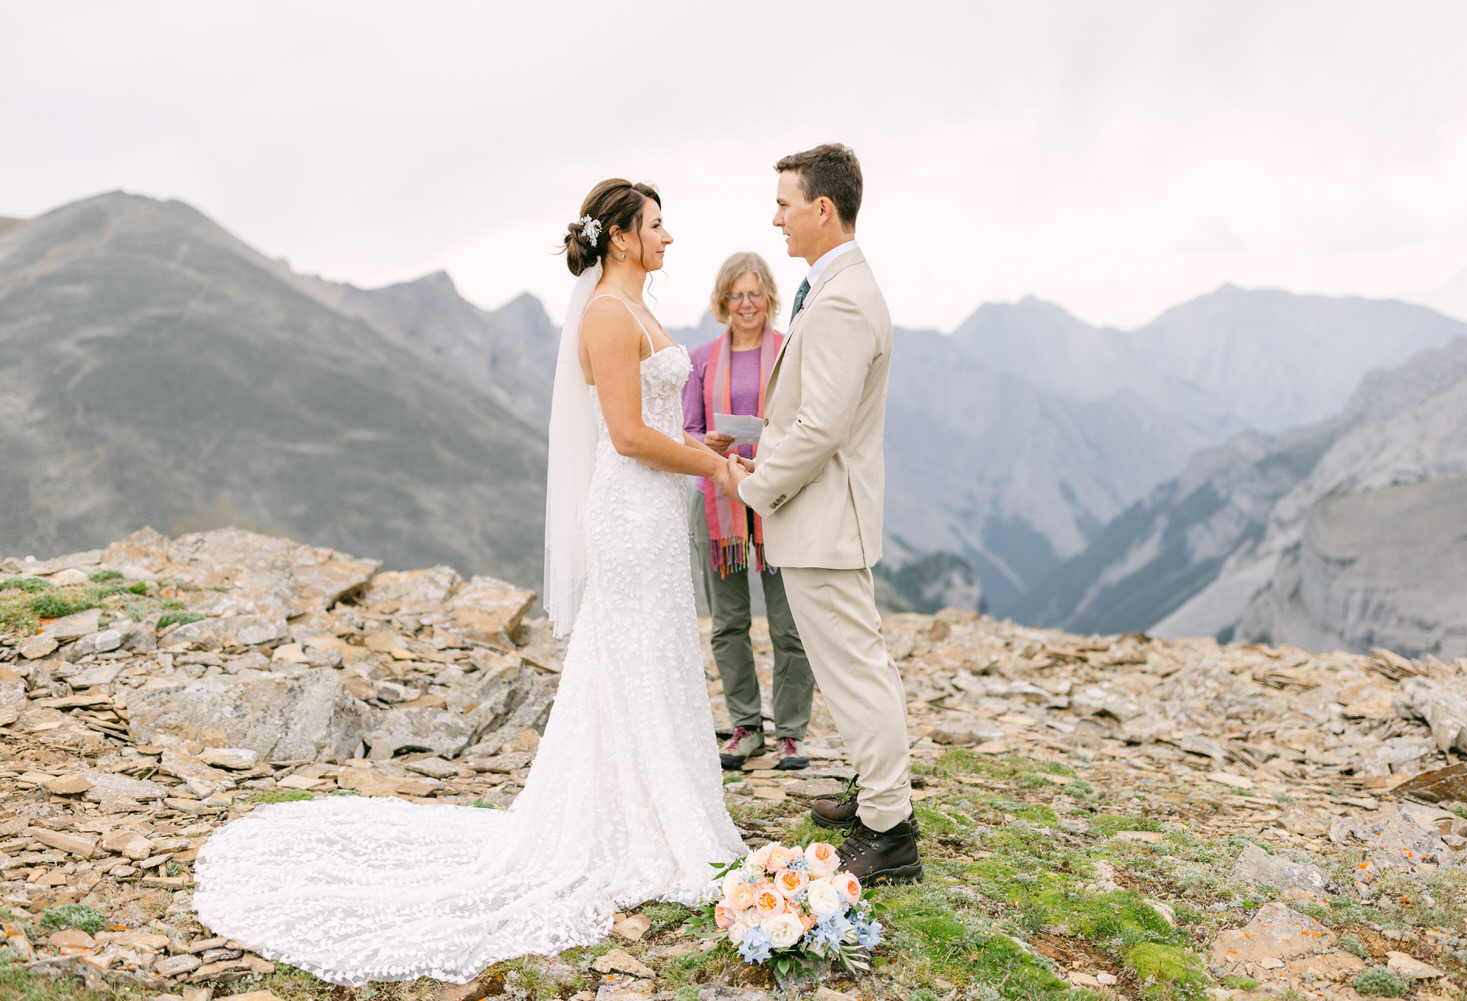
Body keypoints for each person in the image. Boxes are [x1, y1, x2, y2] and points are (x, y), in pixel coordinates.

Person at [191, 179, 747, 984]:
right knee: (632, 651)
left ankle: (662, 799)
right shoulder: (604, 314)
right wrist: (709, 463)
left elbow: (656, 422)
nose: (671, 236)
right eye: (658, 225)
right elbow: (626, 437)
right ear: (622, 238)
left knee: (657, 650)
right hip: (631, 512)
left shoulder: (643, 310)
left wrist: (704, 441)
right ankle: (633, 817)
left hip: (658, 514)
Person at [726, 143, 923, 885]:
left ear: (822, 209)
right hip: (823, 515)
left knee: (856, 671)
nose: (775, 217)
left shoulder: (841, 298)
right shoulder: (833, 287)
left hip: (821, 519)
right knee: (853, 667)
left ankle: (889, 831)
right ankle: (880, 797)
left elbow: (820, 426)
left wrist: (756, 485)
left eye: (784, 203)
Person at [683, 252, 816, 771]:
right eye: (737, 294)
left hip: (778, 499)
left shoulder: (788, 351)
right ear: (723, 300)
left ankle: (791, 733)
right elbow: (688, 430)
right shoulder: (699, 359)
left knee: (788, 623)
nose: (746, 303)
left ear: (769, 300)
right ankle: (745, 726)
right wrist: (708, 443)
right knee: (728, 622)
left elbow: (806, 419)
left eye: (755, 293)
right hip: (717, 502)